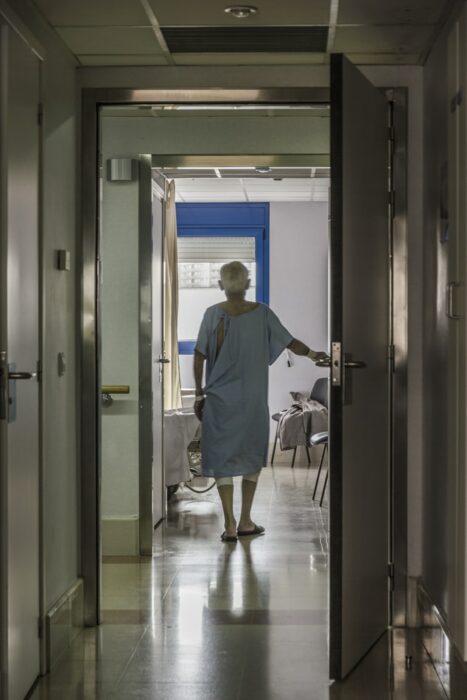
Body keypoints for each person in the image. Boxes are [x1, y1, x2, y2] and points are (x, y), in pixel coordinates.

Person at [193, 261, 328, 543]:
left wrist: (198, 392)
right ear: (247, 283)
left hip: (219, 399)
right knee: (252, 454)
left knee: (221, 456)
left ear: (221, 285)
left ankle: (229, 523)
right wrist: (315, 354)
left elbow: (199, 355)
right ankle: (245, 520)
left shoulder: (211, 314)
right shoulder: (262, 313)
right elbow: (291, 343)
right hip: (252, 399)